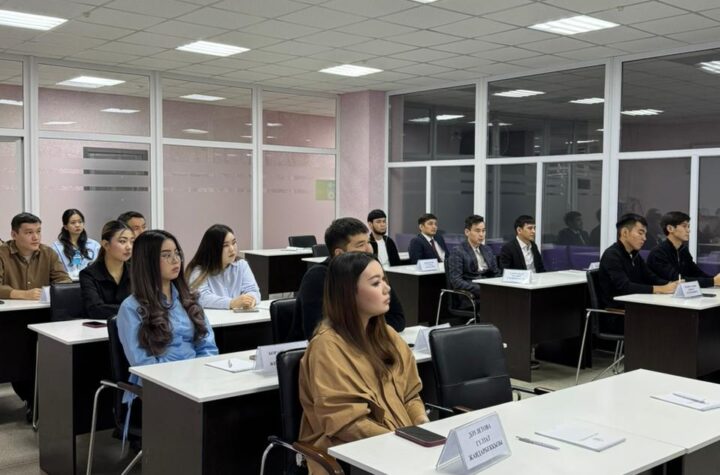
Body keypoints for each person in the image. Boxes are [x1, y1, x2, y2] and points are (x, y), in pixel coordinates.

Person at [298, 252, 427, 474]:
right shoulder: (326, 347)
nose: (387, 288)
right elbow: (345, 423)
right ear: (349, 293)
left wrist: (421, 422)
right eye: (376, 283)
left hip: (400, 444)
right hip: (352, 455)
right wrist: (400, 443)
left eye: (384, 280)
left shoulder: (387, 335)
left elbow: (410, 394)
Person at [117, 230, 218, 391]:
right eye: (166, 255)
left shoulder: (189, 300)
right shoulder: (131, 308)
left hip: (196, 382)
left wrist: (200, 375)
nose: (175, 260)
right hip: (158, 388)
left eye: (177, 253)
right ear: (147, 261)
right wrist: (182, 379)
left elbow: (207, 346)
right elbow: (143, 363)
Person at [291, 218, 405, 340]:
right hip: (322, 348)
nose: (369, 249)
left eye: (368, 242)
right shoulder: (318, 277)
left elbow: (398, 319)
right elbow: (317, 330)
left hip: (364, 343)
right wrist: (371, 325)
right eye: (361, 245)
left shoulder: (372, 269)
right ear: (339, 254)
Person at [598, 213, 677, 308]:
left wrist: (671, 284)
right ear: (625, 233)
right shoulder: (611, 255)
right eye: (640, 233)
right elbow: (625, 287)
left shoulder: (634, 254)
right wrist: (661, 289)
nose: (644, 238)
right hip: (617, 310)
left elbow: (650, 277)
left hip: (634, 304)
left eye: (645, 234)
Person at [186, 224, 261, 309]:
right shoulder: (199, 270)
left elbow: (253, 291)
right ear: (213, 249)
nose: (232, 249)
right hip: (213, 317)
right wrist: (231, 303)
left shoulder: (242, 265)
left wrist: (251, 300)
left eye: (234, 243)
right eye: (225, 245)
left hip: (239, 316)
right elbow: (201, 298)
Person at [0, 212, 71, 300]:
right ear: (14, 235)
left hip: (43, 307)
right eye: (29, 232)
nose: (36, 237)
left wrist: (51, 291)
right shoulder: (2, 254)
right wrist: (22, 294)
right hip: (10, 308)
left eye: (38, 231)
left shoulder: (49, 253)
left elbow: (64, 281)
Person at [647, 211, 720, 288]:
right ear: (670, 228)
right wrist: (713, 281)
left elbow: (695, 272)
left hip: (677, 293)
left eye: (688, 226)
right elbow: (677, 280)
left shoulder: (683, 250)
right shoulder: (658, 253)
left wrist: (715, 279)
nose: (688, 230)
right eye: (684, 226)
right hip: (658, 294)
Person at [79, 220, 134, 319]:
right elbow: (95, 309)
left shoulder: (136, 272)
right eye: (122, 241)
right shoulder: (88, 274)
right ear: (106, 244)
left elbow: (146, 304)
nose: (129, 247)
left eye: (132, 241)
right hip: (99, 326)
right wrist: (133, 310)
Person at [447, 215, 500, 310]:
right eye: (477, 231)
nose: (481, 234)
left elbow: (496, 273)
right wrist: (481, 289)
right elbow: (456, 281)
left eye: (483, 231)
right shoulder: (458, 251)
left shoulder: (487, 249)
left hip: (489, 290)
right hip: (470, 295)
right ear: (467, 232)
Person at [52, 208, 101, 278]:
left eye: (80, 222)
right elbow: (55, 271)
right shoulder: (56, 247)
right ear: (65, 227)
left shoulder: (94, 245)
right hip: (66, 282)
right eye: (73, 223)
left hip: (90, 282)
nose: (77, 225)